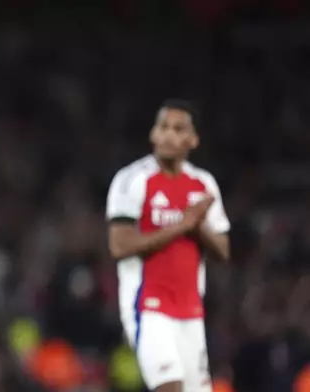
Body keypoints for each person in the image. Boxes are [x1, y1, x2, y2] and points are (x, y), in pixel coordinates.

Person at [105, 99, 230, 392]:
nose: (169, 135)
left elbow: (222, 250)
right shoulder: (132, 180)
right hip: (147, 305)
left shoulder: (203, 184)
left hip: (190, 309)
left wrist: (198, 225)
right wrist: (183, 225)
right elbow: (119, 245)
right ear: (153, 134)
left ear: (193, 140)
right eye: (163, 127)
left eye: (178, 129)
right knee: (169, 386)